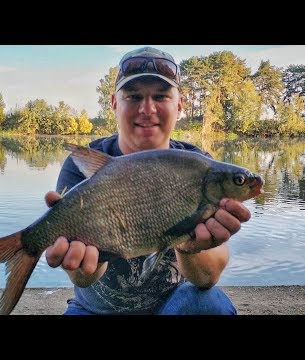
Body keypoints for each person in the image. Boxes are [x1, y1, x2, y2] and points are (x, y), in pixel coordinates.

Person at [44, 46, 252, 315]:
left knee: (209, 304)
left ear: (178, 105)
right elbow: (82, 278)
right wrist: (80, 262)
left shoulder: (199, 165)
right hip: (94, 310)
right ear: (114, 104)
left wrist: (189, 247)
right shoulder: (82, 165)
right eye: (133, 96)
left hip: (172, 305)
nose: (147, 108)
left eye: (160, 96)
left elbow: (207, 278)